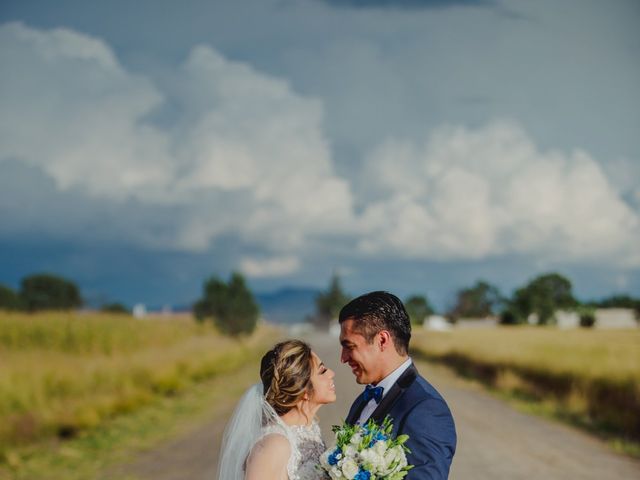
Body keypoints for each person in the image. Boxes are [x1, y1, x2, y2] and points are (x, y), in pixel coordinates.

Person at [339, 291, 456, 480]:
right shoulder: (362, 400)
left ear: (382, 340)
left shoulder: (426, 409)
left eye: (350, 346)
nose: (343, 358)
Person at [217, 339, 335, 480]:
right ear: (303, 390)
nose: (331, 374)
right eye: (322, 371)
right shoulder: (274, 445)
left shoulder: (310, 429)